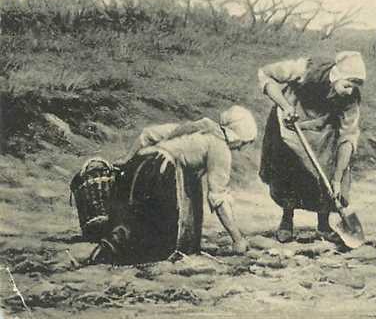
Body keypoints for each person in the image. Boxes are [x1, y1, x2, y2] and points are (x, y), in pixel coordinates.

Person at [95, 105, 257, 264]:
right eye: (243, 143)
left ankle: (110, 248)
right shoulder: (220, 147)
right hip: (162, 174)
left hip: (140, 167)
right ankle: (117, 253)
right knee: (159, 239)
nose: (240, 149)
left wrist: (126, 159)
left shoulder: (197, 128)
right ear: (236, 137)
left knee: (137, 219)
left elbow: (148, 135)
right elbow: (217, 197)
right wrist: (238, 239)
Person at [258, 51, 365, 243]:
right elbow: (265, 74)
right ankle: (286, 220)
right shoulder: (304, 69)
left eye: (354, 87)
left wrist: (338, 179)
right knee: (288, 170)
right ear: (336, 76)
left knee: (328, 168)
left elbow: (348, 136)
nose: (350, 91)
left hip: (323, 128)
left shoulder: (351, 99)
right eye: (347, 85)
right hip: (291, 122)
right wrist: (285, 106)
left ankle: (323, 224)